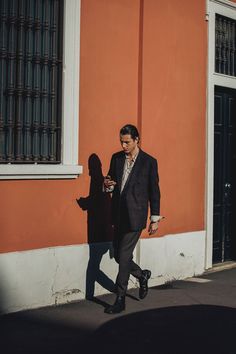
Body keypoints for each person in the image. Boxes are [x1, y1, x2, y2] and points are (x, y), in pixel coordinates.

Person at [103, 124, 163, 314]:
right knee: (121, 256)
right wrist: (108, 184)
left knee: (124, 256)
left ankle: (120, 299)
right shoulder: (116, 158)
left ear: (137, 140)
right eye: (121, 141)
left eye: (127, 142)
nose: (123, 145)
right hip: (118, 215)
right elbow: (111, 182)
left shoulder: (149, 162)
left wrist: (155, 218)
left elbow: (155, 192)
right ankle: (142, 275)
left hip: (136, 216)